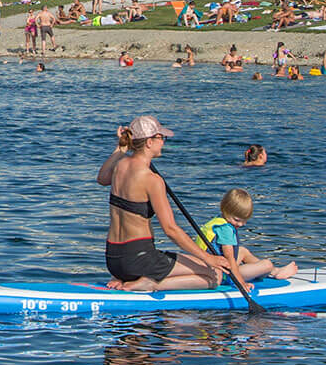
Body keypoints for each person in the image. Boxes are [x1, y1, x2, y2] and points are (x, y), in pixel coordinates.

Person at [95, 115, 227, 292]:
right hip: (140, 260)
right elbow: (171, 229)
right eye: (161, 137)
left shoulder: (120, 165)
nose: (163, 142)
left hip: (113, 261)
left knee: (196, 263)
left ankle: (132, 279)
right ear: (149, 142)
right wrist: (208, 258)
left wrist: (120, 149)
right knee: (214, 275)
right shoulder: (152, 180)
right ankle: (152, 283)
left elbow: (102, 179)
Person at [195, 189, 297, 284]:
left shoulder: (218, 220)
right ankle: (272, 271)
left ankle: (276, 271)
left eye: (244, 220)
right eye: (237, 220)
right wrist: (241, 283)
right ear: (225, 209)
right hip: (223, 274)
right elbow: (229, 258)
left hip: (211, 266)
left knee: (242, 251)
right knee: (267, 264)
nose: (240, 224)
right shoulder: (226, 230)